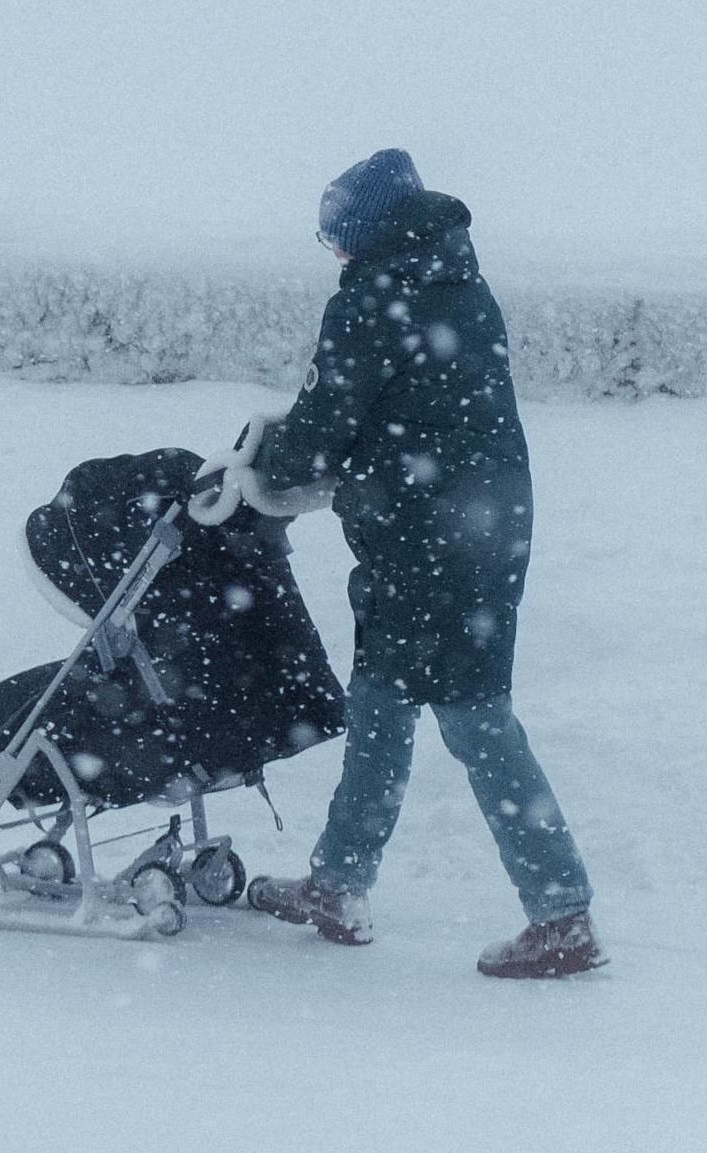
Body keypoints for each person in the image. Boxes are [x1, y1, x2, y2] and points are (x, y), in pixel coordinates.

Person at [236, 149, 601, 979]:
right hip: (484, 524)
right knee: (383, 701)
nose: (334, 251)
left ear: (366, 231)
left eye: (336, 235)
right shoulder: (461, 285)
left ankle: (562, 912)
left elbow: (324, 422)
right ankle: (338, 882)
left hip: (422, 538)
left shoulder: (372, 298)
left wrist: (262, 466)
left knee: (473, 716)